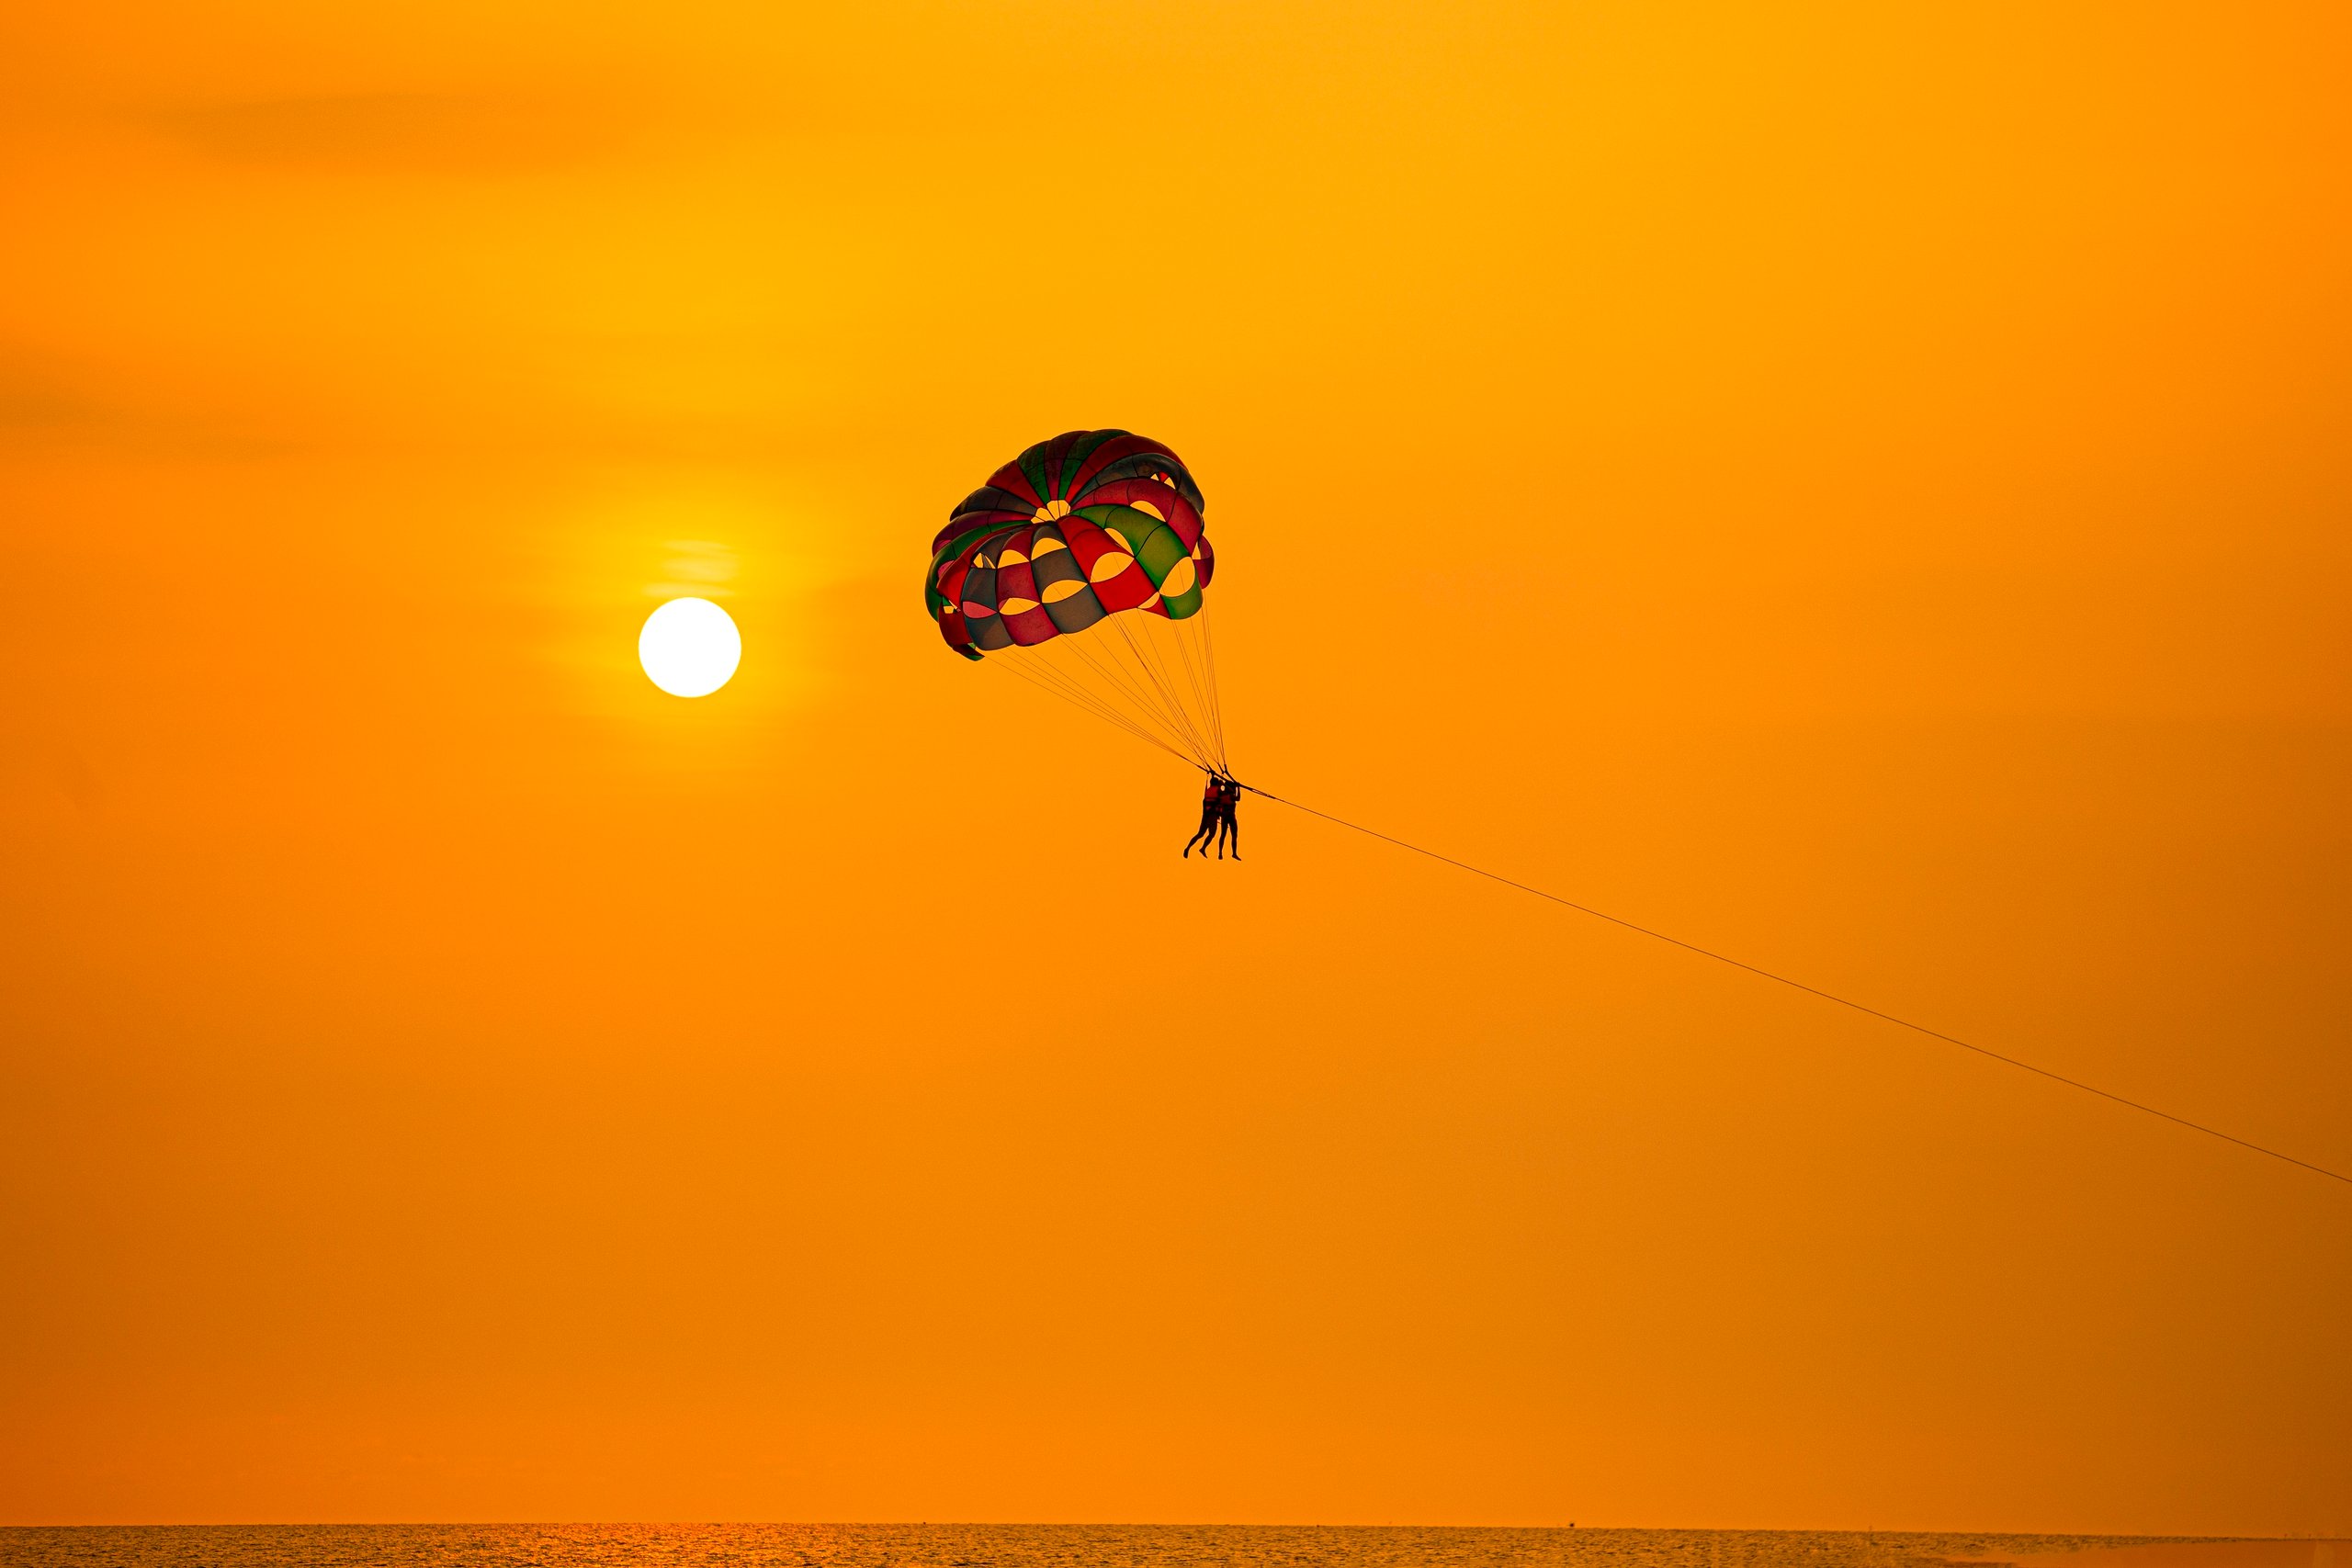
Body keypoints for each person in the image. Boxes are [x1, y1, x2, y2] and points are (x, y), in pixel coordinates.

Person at [1182, 773, 1221, 858]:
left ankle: (1188, 848)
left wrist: (1212, 775)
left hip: (1205, 816)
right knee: (1212, 834)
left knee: (1200, 834)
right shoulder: (1217, 790)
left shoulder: (1208, 791)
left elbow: (1214, 786)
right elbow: (1220, 792)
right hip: (1212, 815)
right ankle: (1203, 848)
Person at [1214, 775, 1241, 860]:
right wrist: (1238, 788)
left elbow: (1218, 790)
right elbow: (1238, 798)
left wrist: (1221, 784)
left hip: (1224, 817)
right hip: (1231, 817)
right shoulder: (1231, 796)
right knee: (1234, 835)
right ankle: (1234, 853)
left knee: (1223, 835)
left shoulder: (1221, 796)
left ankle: (1220, 853)